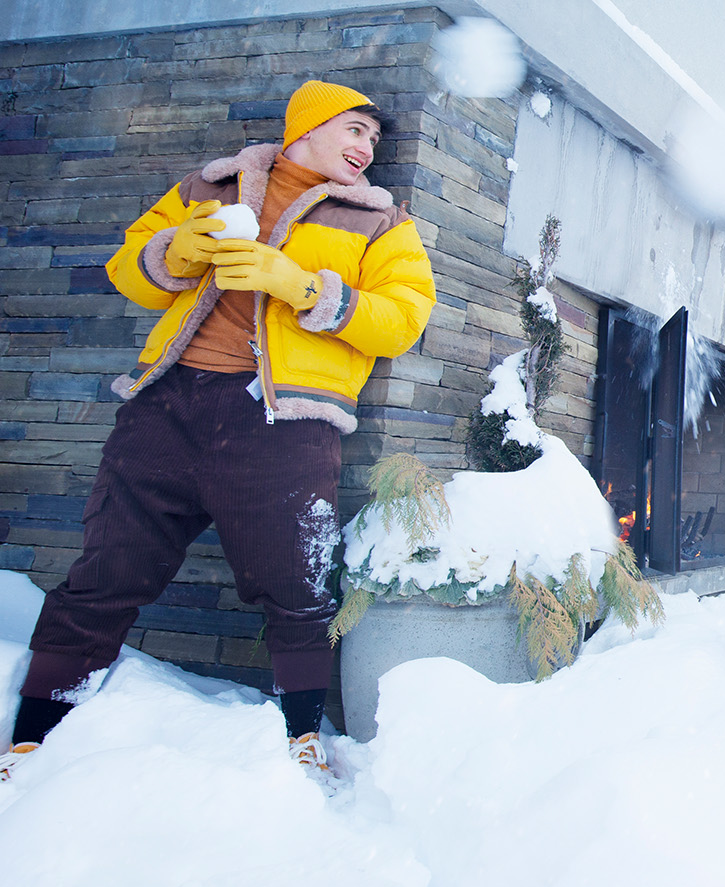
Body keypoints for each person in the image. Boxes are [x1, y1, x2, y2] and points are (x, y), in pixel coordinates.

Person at [0, 80, 437, 784]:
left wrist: (301, 286)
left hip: (283, 422)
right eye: (354, 130)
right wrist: (180, 250)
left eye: (375, 140)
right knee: (104, 573)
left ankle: (303, 739)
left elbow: (403, 318)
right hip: (165, 408)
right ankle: (32, 737)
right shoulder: (210, 187)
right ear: (307, 126)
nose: (365, 149)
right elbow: (129, 267)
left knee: (296, 587)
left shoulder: (380, 223)